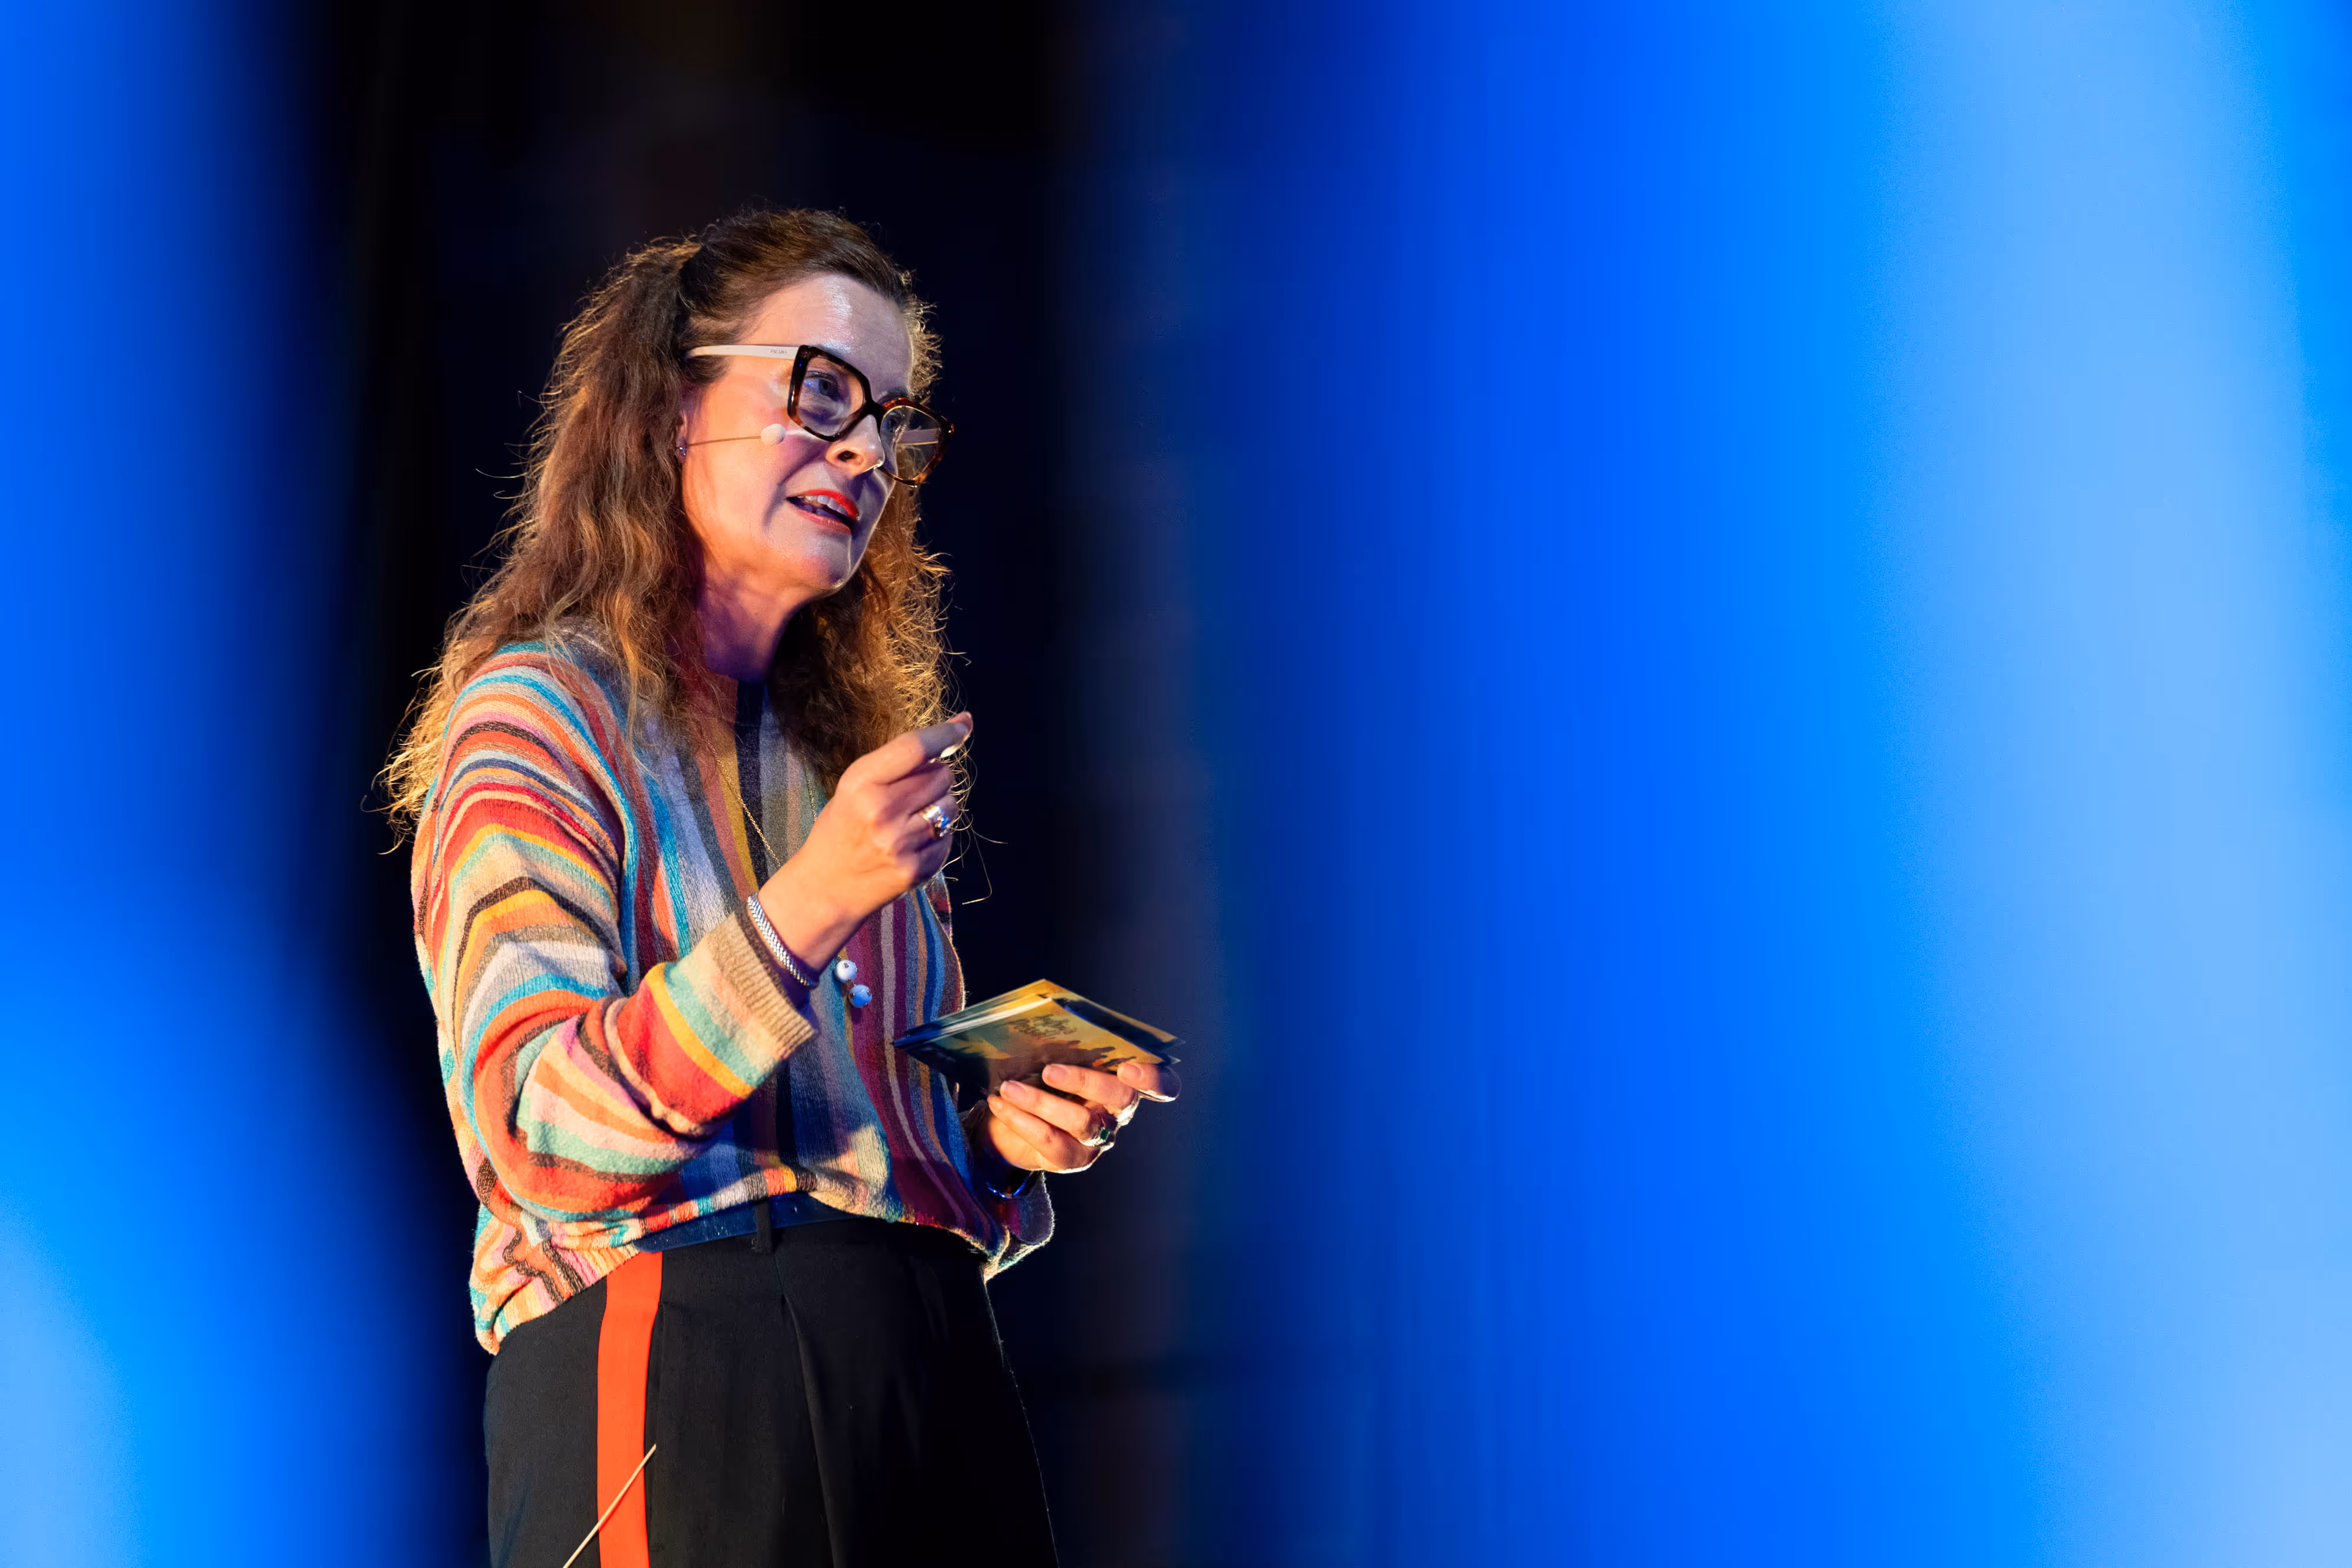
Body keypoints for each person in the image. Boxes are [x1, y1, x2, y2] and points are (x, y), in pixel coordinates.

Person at [387, 206, 1178, 1568]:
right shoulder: (538, 719)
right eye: (820, 393)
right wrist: (806, 905)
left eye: (894, 421)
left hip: (931, 1367)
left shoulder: (841, 762)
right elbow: (532, 1130)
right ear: (669, 407)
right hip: (674, 1365)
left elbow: (869, 1158)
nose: (866, 452)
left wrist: (995, 1139)